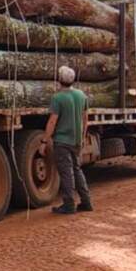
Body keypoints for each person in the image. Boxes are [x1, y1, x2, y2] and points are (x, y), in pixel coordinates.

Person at [39, 65, 94, 215]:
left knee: (66, 172)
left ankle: (69, 205)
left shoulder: (58, 98)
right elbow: (85, 119)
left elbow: (52, 121)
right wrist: (82, 137)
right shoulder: (81, 95)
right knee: (77, 170)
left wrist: (44, 141)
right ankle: (86, 201)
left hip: (62, 141)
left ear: (59, 80)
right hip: (76, 140)